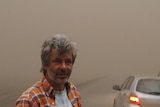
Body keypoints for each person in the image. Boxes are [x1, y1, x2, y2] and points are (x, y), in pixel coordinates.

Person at [15, 34, 81, 107]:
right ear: (45, 64)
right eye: (57, 61)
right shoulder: (29, 100)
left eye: (68, 62)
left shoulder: (73, 92)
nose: (63, 67)